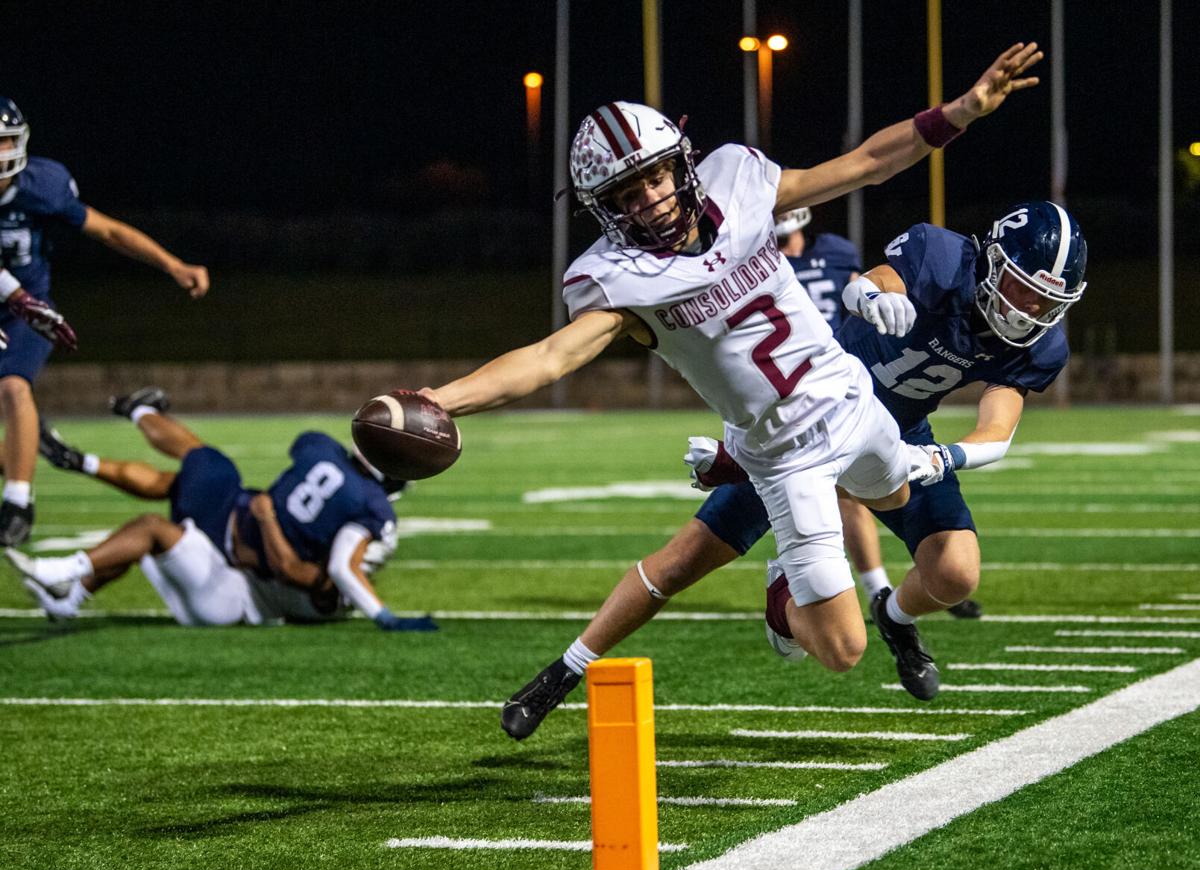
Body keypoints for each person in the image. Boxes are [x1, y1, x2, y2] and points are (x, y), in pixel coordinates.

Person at [412, 44, 1043, 733]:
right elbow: (547, 359)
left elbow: (863, 163)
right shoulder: (618, 281)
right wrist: (439, 400)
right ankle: (780, 590)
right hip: (788, 457)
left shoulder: (739, 180)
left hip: (856, 404)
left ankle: (741, 474)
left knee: (893, 497)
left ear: (679, 163)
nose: (649, 200)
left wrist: (960, 112)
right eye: (626, 194)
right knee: (842, 649)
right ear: (605, 210)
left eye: (653, 178)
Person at [14, 388, 434, 630]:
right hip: (236, 540)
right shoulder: (370, 513)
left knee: (190, 478)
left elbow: (311, 571)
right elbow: (340, 565)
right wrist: (384, 615)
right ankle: (70, 593)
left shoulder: (325, 452)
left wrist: (270, 519)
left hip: (235, 573)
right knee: (189, 476)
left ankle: (128, 418)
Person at [0, 97, 210, 546]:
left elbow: (110, 230)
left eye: (4, 142)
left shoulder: (42, 185)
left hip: (28, 312)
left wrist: (173, 265)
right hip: (14, 297)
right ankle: (22, 457)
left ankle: (17, 501)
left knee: (13, 385)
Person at [779, 208, 982, 619]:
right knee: (838, 493)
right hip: (798, 386)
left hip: (850, 369)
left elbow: (859, 291)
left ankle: (915, 587)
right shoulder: (763, 262)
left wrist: (874, 301)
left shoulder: (836, 252)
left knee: (870, 490)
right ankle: (874, 588)